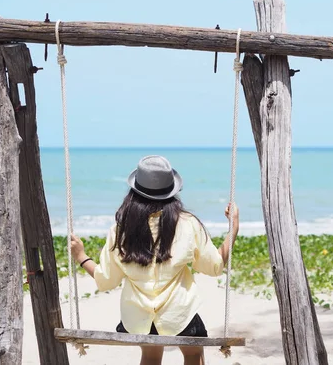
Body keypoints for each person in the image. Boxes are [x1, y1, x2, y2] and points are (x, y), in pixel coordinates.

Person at [70, 155, 239, 365]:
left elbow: (106, 280)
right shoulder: (187, 224)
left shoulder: (120, 231)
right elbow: (215, 266)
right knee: (194, 354)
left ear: (134, 192)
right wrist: (233, 229)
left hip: (138, 318)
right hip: (178, 313)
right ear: (172, 192)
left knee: (150, 356)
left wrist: (81, 256)